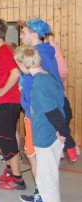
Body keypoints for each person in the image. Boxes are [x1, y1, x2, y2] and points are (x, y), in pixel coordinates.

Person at [15, 45, 73, 202]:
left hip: (45, 137)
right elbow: (64, 105)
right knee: (49, 177)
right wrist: (61, 130)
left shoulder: (38, 84)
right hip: (52, 134)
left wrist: (63, 132)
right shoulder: (50, 76)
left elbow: (52, 111)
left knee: (46, 181)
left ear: (23, 64)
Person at [0, 18, 25, 190]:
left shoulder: (3, 51)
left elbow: (15, 73)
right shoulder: (0, 51)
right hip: (1, 101)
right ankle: (9, 170)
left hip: (9, 102)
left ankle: (18, 179)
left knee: (7, 139)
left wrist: (2, 91)